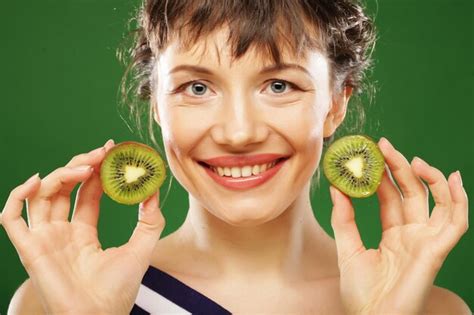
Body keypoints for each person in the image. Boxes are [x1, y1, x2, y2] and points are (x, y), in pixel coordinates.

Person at [1, 0, 470, 314]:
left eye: (279, 85)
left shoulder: (429, 310)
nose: (238, 133)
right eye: (197, 88)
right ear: (156, 105)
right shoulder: (54, 304)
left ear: (336, 103)